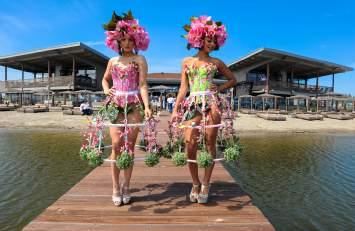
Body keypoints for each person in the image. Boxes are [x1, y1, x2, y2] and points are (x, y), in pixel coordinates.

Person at [171, 15, 237, 203]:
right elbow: (183, 87)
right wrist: (176, 109)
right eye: (209, 40)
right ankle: (195, 182)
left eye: (214, 41)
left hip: (211, 103)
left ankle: (206, 184)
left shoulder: (216, 63)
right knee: (190, 143)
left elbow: (233, 79)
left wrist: (220, 88)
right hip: (192, 104)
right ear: (199, 39)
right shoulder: (186, 62)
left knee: (209, 144)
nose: (212, 44)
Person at [102, 10, 152, 206]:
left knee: (129, 148)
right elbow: (105, 80)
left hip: (134, 104)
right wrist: (107, 91)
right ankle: (115, 186)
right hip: (115, 105)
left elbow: (142, 85)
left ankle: (127, 185)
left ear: (136, 41)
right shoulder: (112, 61)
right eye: (123, 40)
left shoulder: (139, 60)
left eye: (131, 40)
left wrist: (147, 106)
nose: (127, 43)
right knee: (115, 146)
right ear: (118, 42)